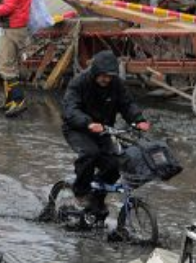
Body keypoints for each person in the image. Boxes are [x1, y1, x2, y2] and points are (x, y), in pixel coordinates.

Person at [61, 50, 152, 214]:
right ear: (95, 71)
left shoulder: (116, 85)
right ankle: (80, 192)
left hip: (103, 131)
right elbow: (70, 109)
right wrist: (88, 123)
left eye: (110, 76)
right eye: (103, 76)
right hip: (78, 129)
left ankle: (97, 198)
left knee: (116, 163)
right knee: (90, 153)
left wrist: (139, 120)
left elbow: (127, 104)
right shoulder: (79, 83)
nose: (106, 79)